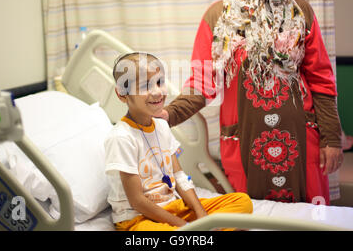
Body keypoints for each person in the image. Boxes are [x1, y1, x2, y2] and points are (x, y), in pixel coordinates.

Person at [158, 0, 343, 205]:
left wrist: (332, 138)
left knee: (306, 219)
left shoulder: (299, 12)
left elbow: (321, 80)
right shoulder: (218, 16)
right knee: (249, 216)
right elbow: (202, 82)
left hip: (301, 140)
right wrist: (167, 115)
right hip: (243, 141)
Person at [104, 52, 253, 231]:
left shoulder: (161, 127)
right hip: (138, 218)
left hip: (173, 208)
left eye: (159, 82)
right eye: (145, 86)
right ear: (122, 94)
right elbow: (138, 202)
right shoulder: (122, 138)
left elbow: (180, 176)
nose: (157, 92)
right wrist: (184, 226)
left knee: (242, 202)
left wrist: (201, 217)